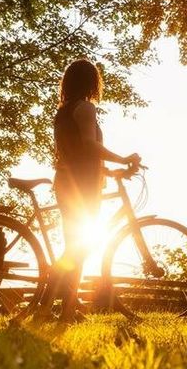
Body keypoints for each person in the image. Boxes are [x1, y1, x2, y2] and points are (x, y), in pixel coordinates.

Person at [41, 58, 140, 323]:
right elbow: (88, 145)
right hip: (82, 186)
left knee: (75, 248)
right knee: (77, 249)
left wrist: (110, 171)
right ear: (92, 82)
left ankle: (64, 310)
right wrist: (123, 159)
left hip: (67, 181)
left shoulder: (63, 113)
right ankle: (49, 308)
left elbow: (75, 154)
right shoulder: (86, 108)